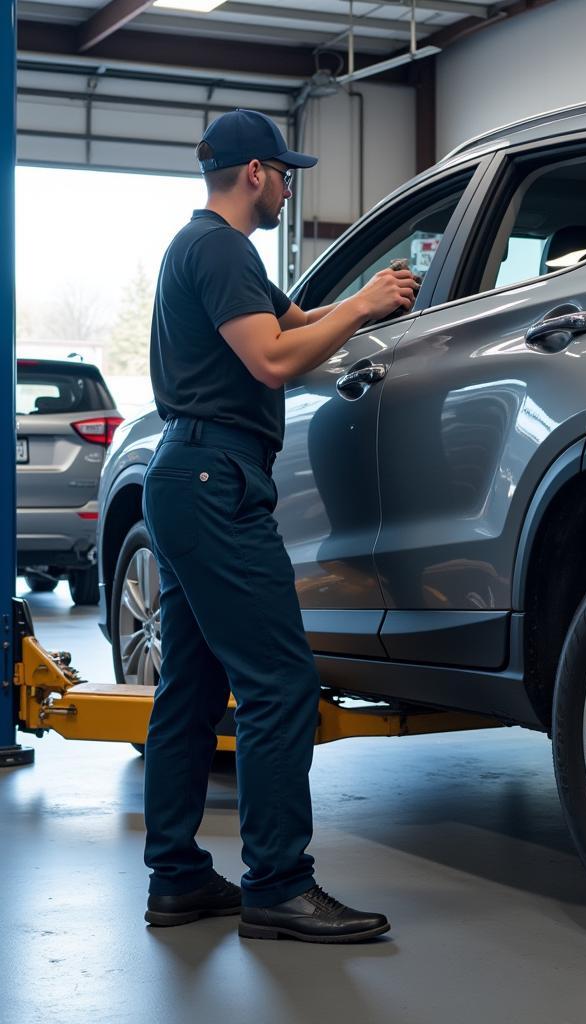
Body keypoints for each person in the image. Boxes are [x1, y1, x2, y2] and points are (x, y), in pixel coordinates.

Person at [140, 108, 418, 943]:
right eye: (284, 171)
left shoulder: (205, 249)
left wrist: (367, 307)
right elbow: (271, 359)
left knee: (190, 687)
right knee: (278, 683)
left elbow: (297, 324)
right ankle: (278, 885)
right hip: (212, 480)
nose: (290, 185)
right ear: (255, 172)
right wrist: (366, 302)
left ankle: (179, 878)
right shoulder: (221, 248)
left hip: (191, 477)